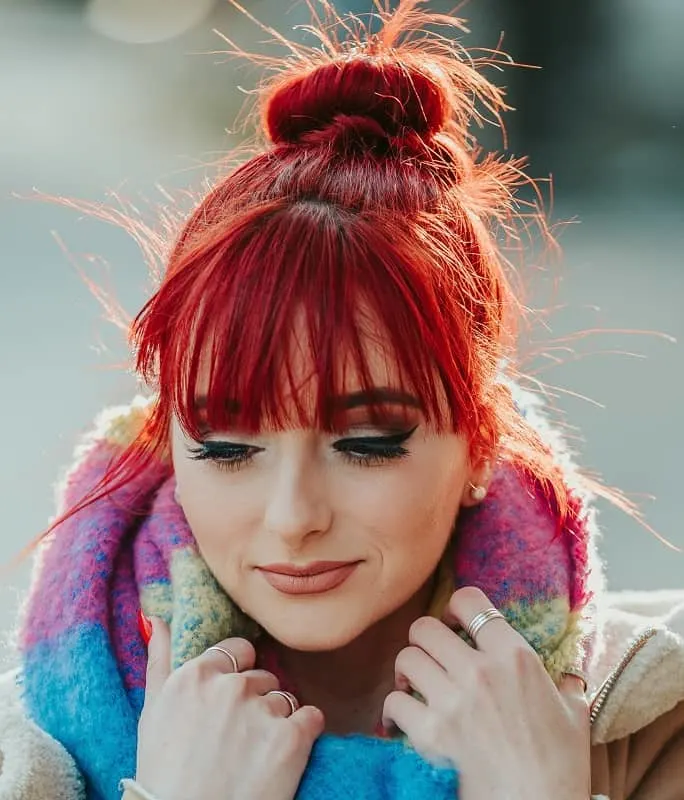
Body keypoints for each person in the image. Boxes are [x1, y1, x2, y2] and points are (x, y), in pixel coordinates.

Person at [1, 1, 683, 799]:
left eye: (368, 442)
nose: (293, 517)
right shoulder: (38, 750)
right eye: (225, 449)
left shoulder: (651, 723)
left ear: (481, 444)